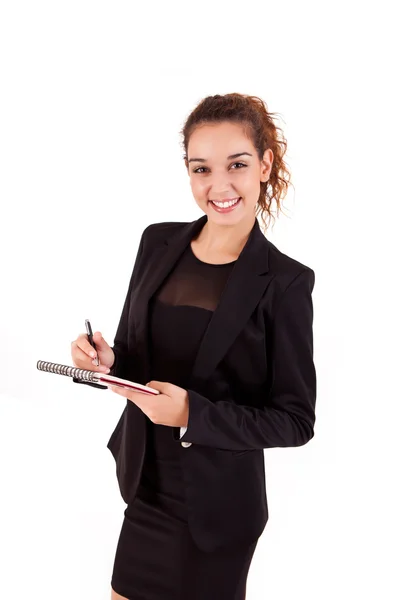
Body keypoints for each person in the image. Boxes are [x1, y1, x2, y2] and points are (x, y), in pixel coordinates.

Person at [71, 92, 317, 600]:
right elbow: (136, 355)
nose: (218, 186)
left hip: (217, 513)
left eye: (237, 165)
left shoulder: (286, 282)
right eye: (201, 169)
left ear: (265, 166)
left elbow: (295, 420)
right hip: (145, 486)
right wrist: (108, 360)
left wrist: (192, 415)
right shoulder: (158, 243)